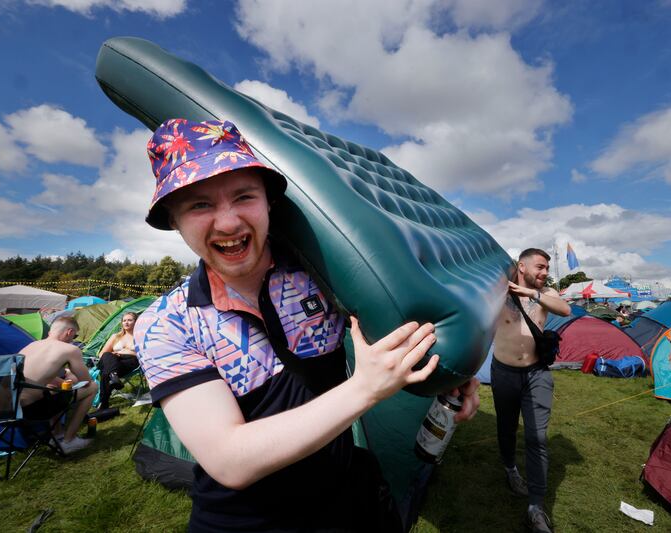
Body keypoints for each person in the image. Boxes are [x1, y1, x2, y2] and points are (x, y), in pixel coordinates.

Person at [134, 118, 480, 532]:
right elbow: (230, 459)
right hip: (247, 521)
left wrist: (452, 368)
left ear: (268, 203)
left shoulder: (321, 272)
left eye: (244, 196)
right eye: (199, 204)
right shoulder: (165, 324)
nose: (227, 224)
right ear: (174, 220)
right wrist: (365, 388)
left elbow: (410, 309)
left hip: (346, 495)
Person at [491, 248, 571, 533]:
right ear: (521, 267)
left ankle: (536, 508)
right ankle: (511, 469)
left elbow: (566, 309)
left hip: (537, 374)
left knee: (537, 438)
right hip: (504, 372)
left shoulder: (545, 293)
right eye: (540, 267)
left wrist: (532, 295)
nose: (545, 272)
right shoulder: (500, 292)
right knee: (507, 427)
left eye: (547, 267)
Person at [19, 316, 98, 454]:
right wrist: (70, 375)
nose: (73, 339)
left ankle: (57, 434)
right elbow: (86, 381)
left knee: (55, 388)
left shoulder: (30, 346)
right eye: (75, 335)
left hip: (8, 409)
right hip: (33, 410)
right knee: (93, 388)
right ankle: (69, 441)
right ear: (69, 332)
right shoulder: (70, 349)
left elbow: (34, 376)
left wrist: (63, 382)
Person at [97, 311, 139, 409]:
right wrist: (113, 354)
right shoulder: (115, 337)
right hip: (114, 360)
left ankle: (104, 402)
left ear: (136, 322)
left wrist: (129, 352)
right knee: (107, 355)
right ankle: (113, 376)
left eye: (129, 320)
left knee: (105, 373)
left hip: (130, 362)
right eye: (124, 320)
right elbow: (101, 353)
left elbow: (143, 354)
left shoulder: (139, 336)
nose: (126, 323)